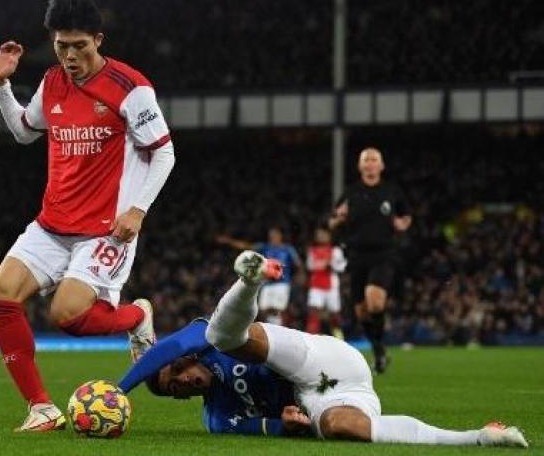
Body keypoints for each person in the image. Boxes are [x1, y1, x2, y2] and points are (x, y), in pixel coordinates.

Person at [0, 0, 175, 431]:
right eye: (61, 46)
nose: (70, 56)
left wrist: (138, 211)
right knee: (1, 296)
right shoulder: (53, 81)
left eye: (79, 46)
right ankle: (41, 407)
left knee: (67, 316)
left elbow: (164, 153)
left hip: (105, 229)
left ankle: (136, 315)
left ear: (99, 39)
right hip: (52, 223)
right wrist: (1, 85)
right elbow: (24, 131)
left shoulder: (131, 88)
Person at [118, 252, 528, 448]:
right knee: (341, 429)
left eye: (176, 376)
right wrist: (288, 423)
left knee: (226, 339)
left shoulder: (197, 344)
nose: (185, 385)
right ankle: (479, 437)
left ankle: (250, 280)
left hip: (319, 358)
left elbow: (174, 344)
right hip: (326, 395)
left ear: (180, 362)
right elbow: (265, 428)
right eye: (177, 392)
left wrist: (120, 391)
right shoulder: (216, 418)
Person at [328, 147, 411, 374]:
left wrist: (402, 224)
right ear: (360, 166)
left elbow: (406, 216)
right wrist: (339, 218)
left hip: (384, 254)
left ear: (381, 166)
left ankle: (380, 348)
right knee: (362, 312)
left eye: (374, 159)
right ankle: (379, 349)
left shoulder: (391, 191)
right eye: (366, 160)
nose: (370, 163)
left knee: (375, 302)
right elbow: (332, 222)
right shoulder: (351, 192)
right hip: (356, 256)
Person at [216, 227, 301, 325]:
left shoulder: (287, 249)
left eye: (275, 235)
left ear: (280, 236)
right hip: (266, 283)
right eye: (271, 236)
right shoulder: (265, 247)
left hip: (282, 283)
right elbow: (246, 246)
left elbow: (298, 264)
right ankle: (270, 329)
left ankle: (280, 330)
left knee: (278, 309)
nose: (273, 237)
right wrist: (229, 241)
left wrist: (299, 275)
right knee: (264, 310)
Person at [305, 227, 346, 338]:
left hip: (331, 286)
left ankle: (339, 336)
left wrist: (332, 265)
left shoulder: (335, 250)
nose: (321, 236)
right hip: (316, 286)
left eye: (323, 234)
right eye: (319, 234)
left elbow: (342, 267)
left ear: (329, 236)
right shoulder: (312, 250)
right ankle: (312, 338)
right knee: (314, 312)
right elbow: (309, 266)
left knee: (334, 314)